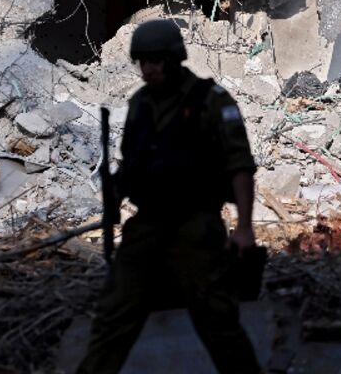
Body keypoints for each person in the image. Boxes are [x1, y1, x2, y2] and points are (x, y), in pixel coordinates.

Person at [78, 19, 262, 374]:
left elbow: (240, 166)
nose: (148, 69)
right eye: (142, 62)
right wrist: (113, 195)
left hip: (196, 227)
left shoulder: (210, 100)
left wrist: (244, 227)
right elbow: (132, 166)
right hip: (147, 227)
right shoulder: (139, 105)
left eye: (155, 61)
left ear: (174, 58)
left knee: (219, 323)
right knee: (112, 319)